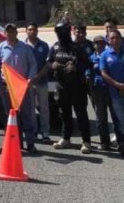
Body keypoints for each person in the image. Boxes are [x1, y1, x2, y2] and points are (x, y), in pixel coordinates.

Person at [0, 24, 38, 153]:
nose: (10, 34)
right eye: (7, 32)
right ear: (5, 33)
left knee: (26, 115)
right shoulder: (1, 47)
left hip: (22, 86)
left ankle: (30, 143)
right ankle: (17, 143)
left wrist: (30, 78)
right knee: (12, 116)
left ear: (16, 33)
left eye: (12, 31)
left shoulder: (25, 48)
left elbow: (33, 64)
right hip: (7, 86)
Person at [49, 22, 92, 153]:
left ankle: (86, 142)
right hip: (61, 87)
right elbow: (49, 62)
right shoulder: (55, 47)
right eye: (58, 33)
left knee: (81, 115)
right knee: (64, 114)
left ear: (68, 33)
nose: (61, 35)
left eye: (63, 32)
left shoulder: (77, 47)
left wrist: (76, 67)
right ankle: (65, 138)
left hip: (77, 87)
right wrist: (53, 65)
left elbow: (88, 64)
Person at [86, 35, 116, 150]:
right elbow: (88, 74)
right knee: (101, 118)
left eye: (102, 43)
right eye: (97, 43)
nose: (100, 45)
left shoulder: (110, 56)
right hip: (98, 91)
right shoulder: (91, 58)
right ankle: (105, 142)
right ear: (94, 45)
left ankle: (121, 141)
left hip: (111, 89)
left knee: (116, 116)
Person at [26, 22, 51, 143]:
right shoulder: (23, 46)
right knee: (30, 108)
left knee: (44, 107)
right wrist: (31, 78)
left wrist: (38, 76)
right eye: (30, 30)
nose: (32, 32)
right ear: (26, 31)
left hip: (42, 80)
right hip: (28, 82)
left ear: (37, 31)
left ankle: (45, 131)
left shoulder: (44, 45)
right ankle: (34, 131)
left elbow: (48, 64)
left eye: (34, 29)